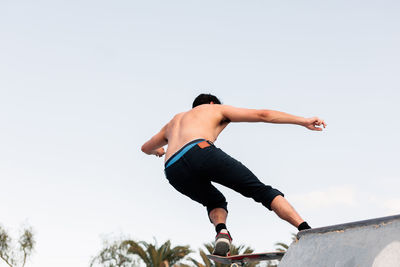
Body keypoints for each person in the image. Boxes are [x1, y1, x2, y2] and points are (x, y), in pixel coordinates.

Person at [141, 93, 327, 256]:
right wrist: (303, 121)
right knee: (261, 191)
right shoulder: (213, 109)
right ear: (212, 103)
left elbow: (145, 147)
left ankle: (222, 232)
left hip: (172, 168)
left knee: (214, 201)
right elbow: (263, 115)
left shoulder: (174, 121)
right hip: (200, 150)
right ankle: (306, 230)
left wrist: (158, 151)